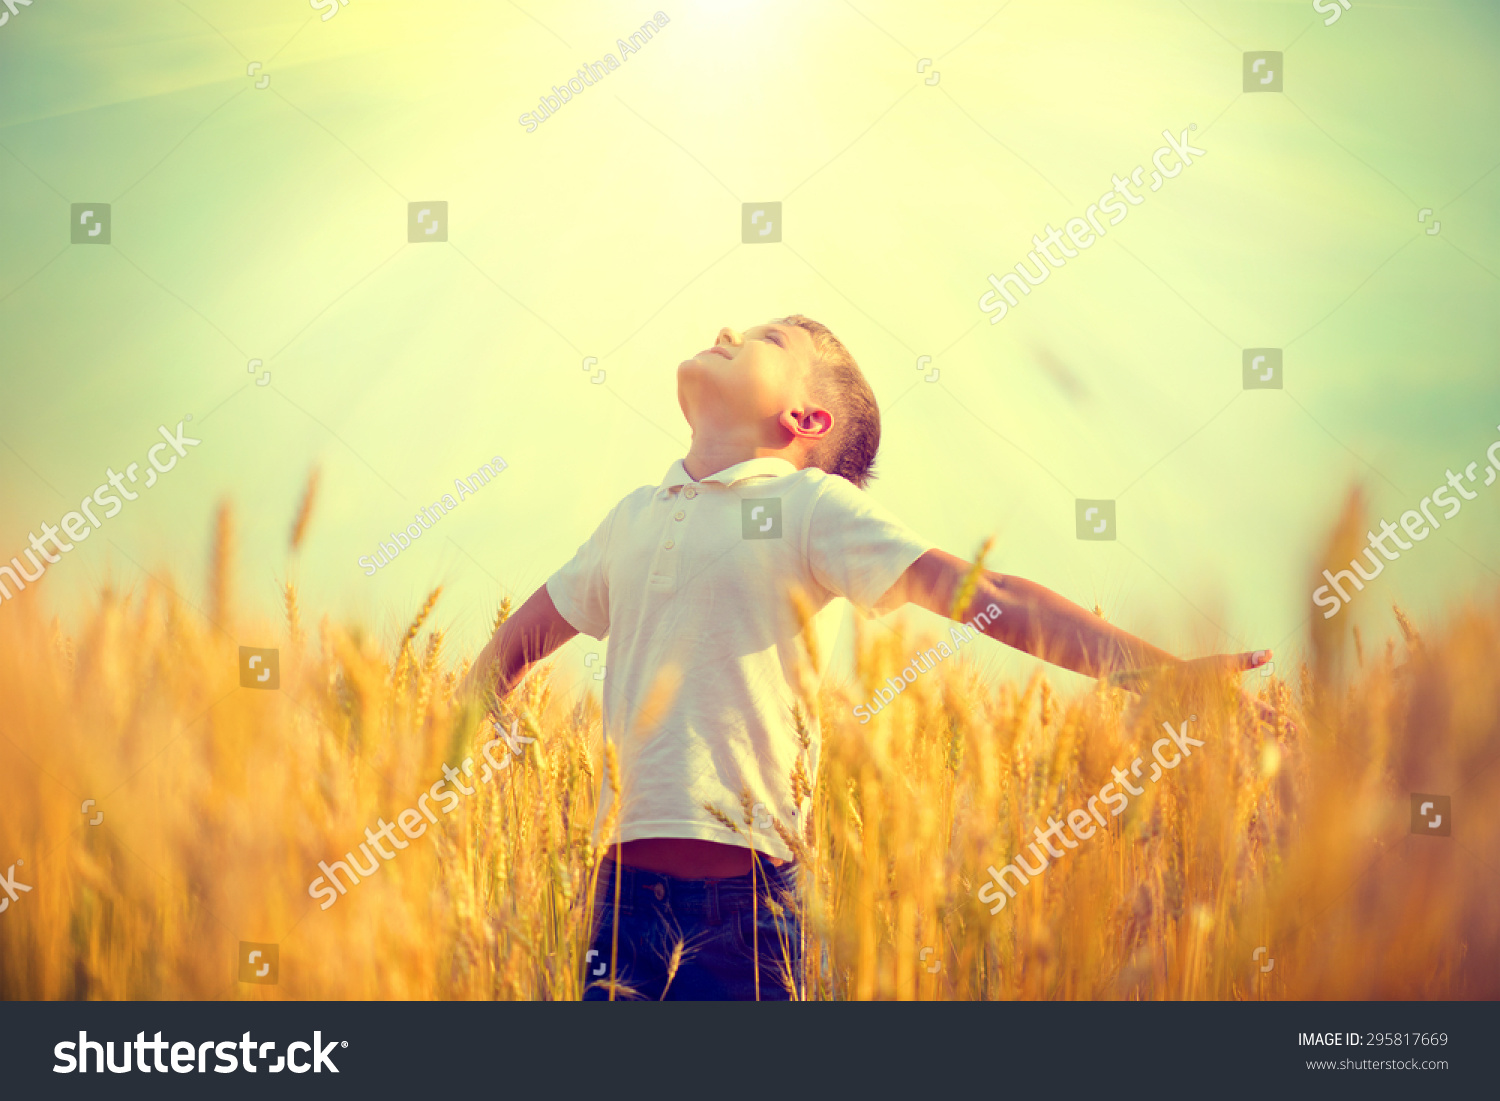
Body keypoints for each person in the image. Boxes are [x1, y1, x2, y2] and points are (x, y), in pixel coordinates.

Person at [464, 315, 1270, 1000]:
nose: (726, 332)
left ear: (806, 420)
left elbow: (984, 593)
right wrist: (463, 728)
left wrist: (1151, 668)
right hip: (620, 895)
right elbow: (514, 644)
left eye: (763, 337)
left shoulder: (809, 506)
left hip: (746, 902)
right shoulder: (632, 517)